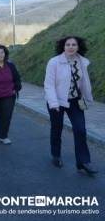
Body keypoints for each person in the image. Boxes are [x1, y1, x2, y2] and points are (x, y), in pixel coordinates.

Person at [44, 36, 97, 175]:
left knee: (80, 130)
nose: (71, 47)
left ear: (78, 47)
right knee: (57, 128)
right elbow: (49, 85)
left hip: (75, 101)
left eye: (74, 44)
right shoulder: (54, 62)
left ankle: (83, 162)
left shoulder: (82, 61)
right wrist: (54, 103)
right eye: (68, 44)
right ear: (63, 46)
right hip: (57, 101)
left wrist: (88, 98)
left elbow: (84, 82)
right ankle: (56, 155)